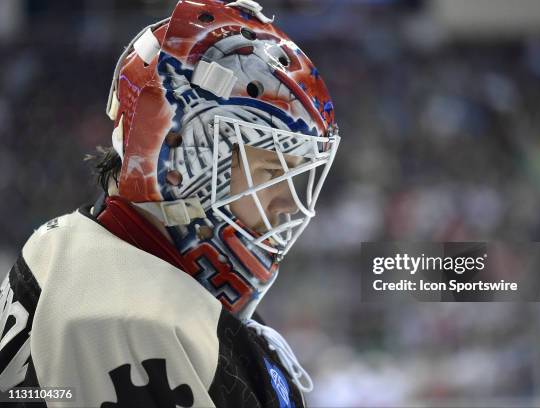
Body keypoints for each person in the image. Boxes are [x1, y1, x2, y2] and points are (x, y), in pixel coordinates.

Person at [0, 0, 340, 406]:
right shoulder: (136, 324)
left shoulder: (64, 248)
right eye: (270, 174)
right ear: (182, 156)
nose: (287, 204)